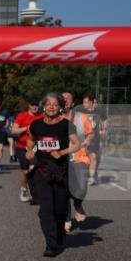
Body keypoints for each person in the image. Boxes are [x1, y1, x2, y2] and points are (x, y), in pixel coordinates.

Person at [25, 93, 80, 256]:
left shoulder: (66, 124)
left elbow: (76, 145)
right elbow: (31, 140)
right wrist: (29, 151)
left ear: (60, 107)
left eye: (55, 104)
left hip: (61, 171)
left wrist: (62, 152)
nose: (51, 107)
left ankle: (60, 235)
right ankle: (51, 244)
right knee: (45, 210)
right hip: (42, 170)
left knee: (60, 209)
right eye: (48, 104)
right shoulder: (35, 124)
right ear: (43, 106)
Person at [60, 92, 93, 233]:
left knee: (82, 187)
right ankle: (67, 219)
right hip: (62, 158)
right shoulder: (54, 118)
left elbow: (90, 132)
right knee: (64, 191)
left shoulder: (81, 117)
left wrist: (89, 139)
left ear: (72, 103)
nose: (66, 100)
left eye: (68, 98)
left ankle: (78, 203)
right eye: (63, 99)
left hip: (79, 157)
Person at [11, 100, 44, 203]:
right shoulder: (22, 116)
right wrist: (27, 128)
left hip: (36, 147)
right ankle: (24, 189)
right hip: (22, 146)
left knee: (34, 168)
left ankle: (36, 193)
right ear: (29, 106)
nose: (35, 107)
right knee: (25, 170)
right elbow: (14, 130)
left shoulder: (42, 116)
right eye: (33, 105)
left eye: (36, 105)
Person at [81, 94, 108, 185]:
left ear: (92, 103)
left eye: (86, 102)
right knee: (84, 158)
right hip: (82, 138)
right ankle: (88, 175)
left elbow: (105, 120)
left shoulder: (99, 111)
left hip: (95, 138)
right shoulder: (80, 112)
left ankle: (92, 175)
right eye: (83, 102)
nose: (84, 104)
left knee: (95, 157)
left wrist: (104, 129)